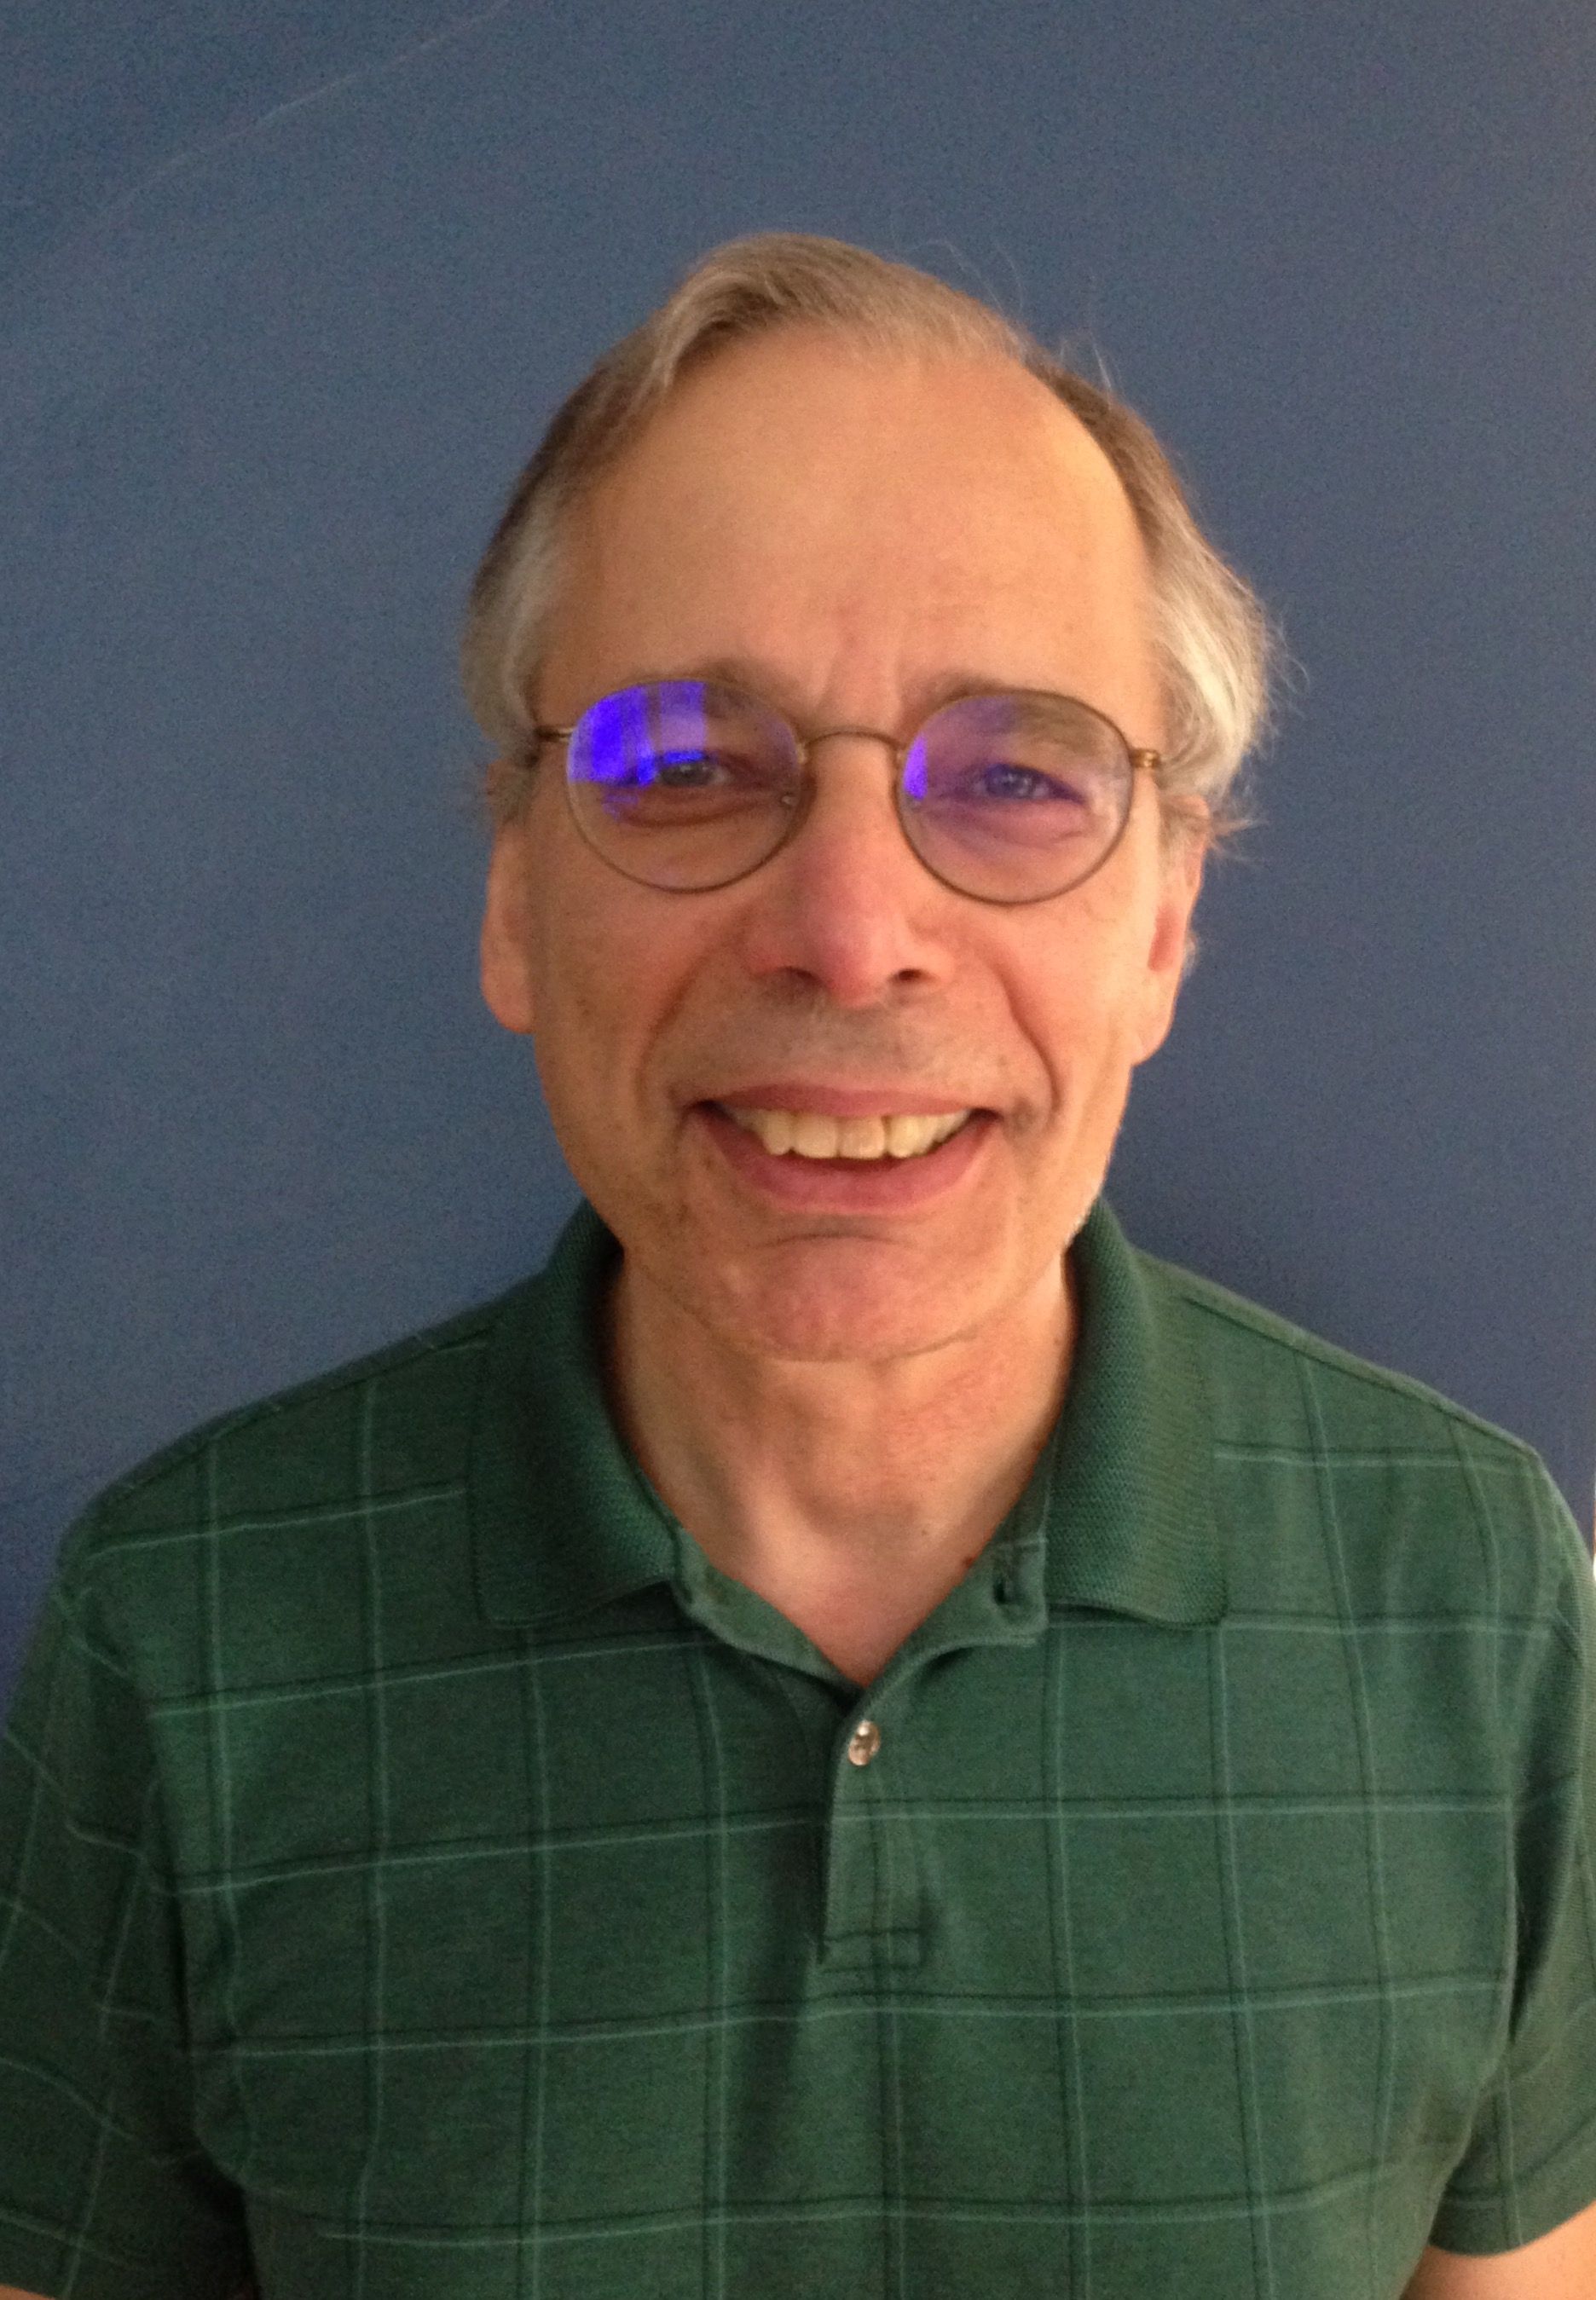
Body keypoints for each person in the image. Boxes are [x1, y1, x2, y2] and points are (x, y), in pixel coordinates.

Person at [1, 234, 1592, 2300]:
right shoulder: (187, 1628)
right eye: (683, 761)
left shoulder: (1472, 1590)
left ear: (1166, 926)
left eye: (1016, 775)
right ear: (514, 897)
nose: (852, 929)